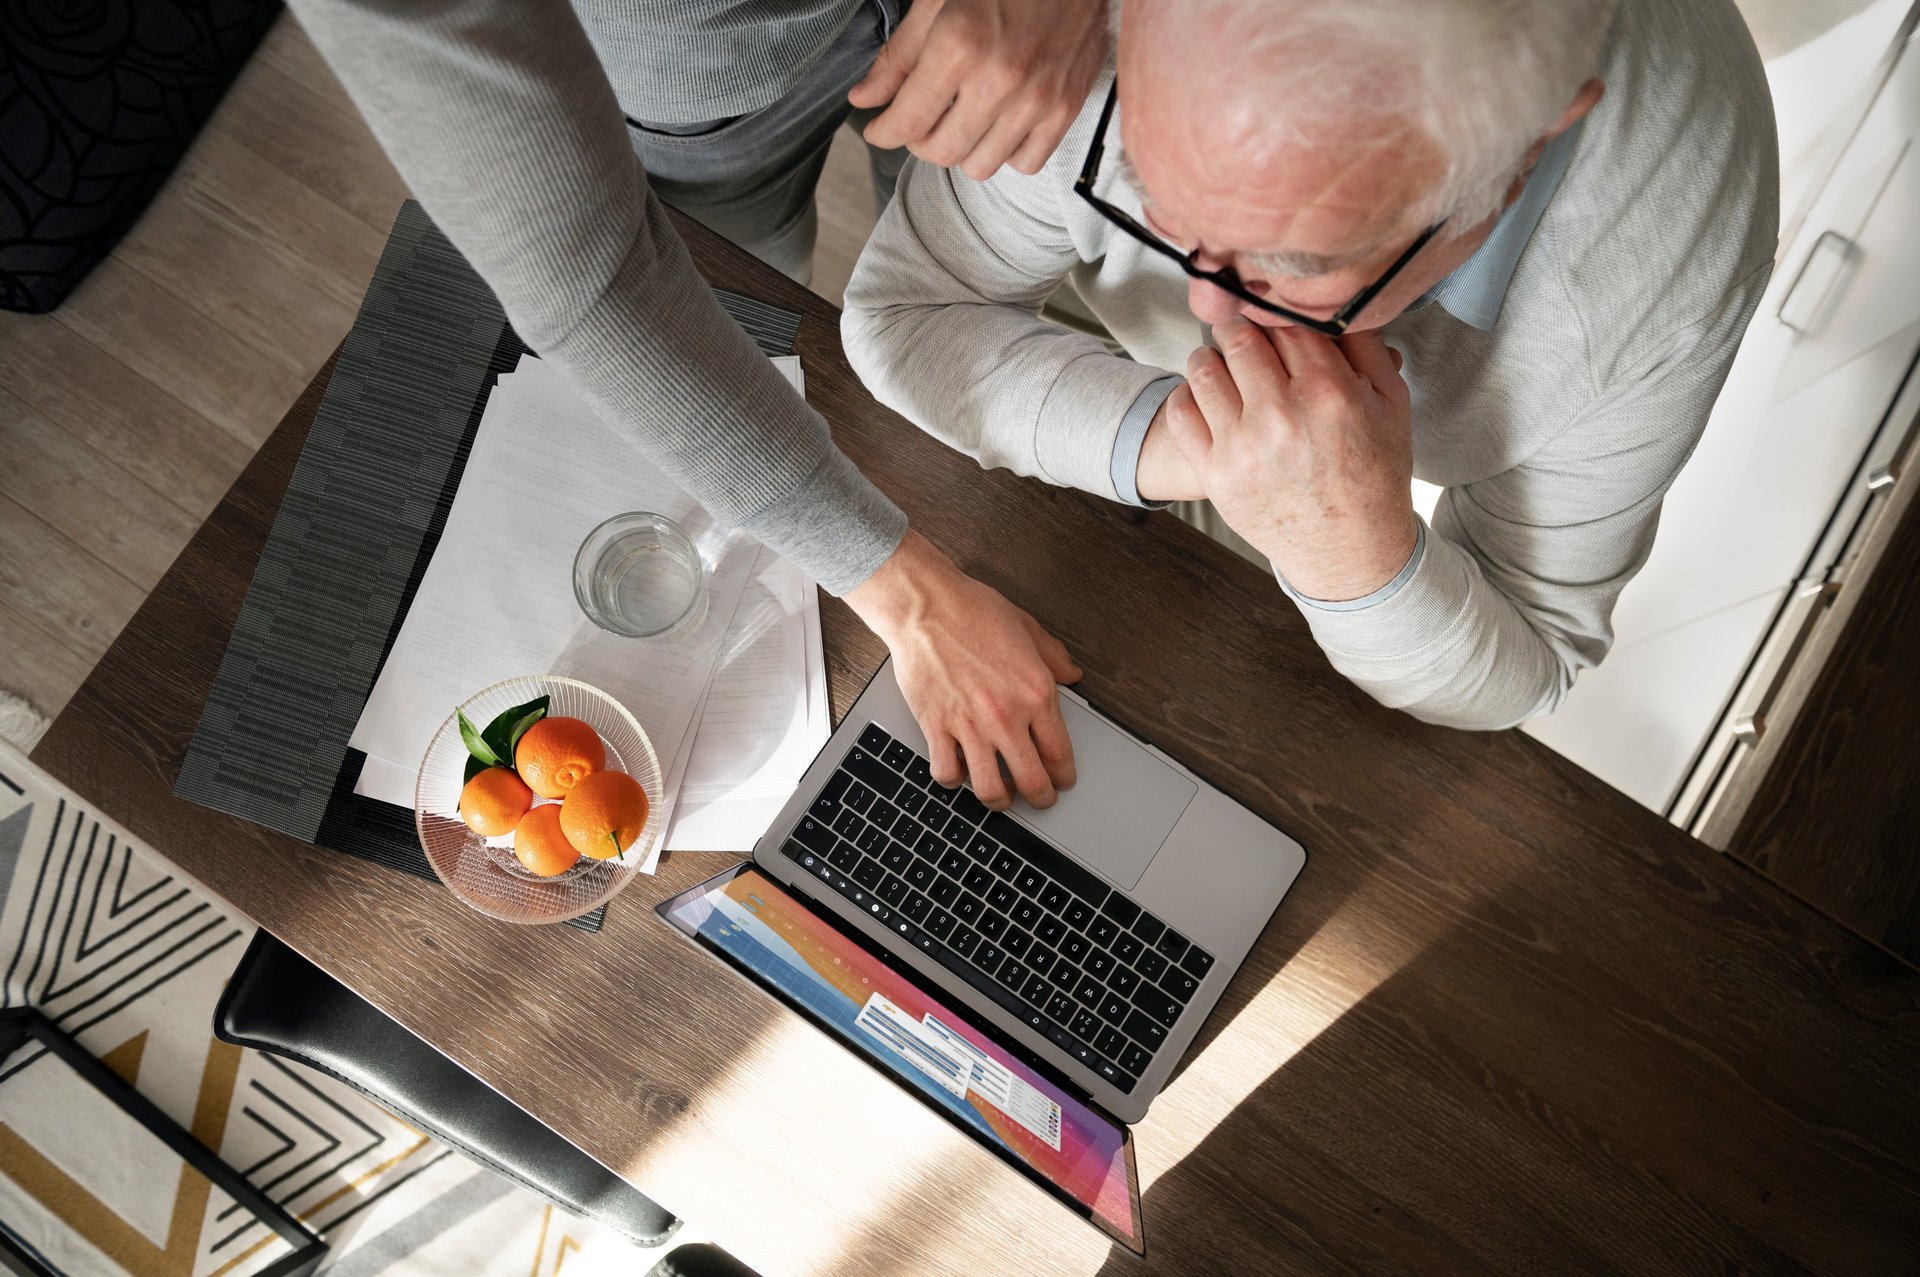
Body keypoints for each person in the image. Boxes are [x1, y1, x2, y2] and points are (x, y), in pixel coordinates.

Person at [842, 0, 1780, 730]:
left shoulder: (1671, 268)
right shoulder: (1087, 38)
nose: (1206, 306)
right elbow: (909, 309)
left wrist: (1356, 552)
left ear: (1530, 145)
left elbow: (1537, 654)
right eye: (1161, 198)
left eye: (1292, 266)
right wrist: (1199, 449)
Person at [291, 0, 1113, 809]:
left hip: (1006, 38)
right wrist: (910, 596)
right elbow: (595, 282)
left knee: (956, 279)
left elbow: (943, 303)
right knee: (751, 307)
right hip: (704, 85)